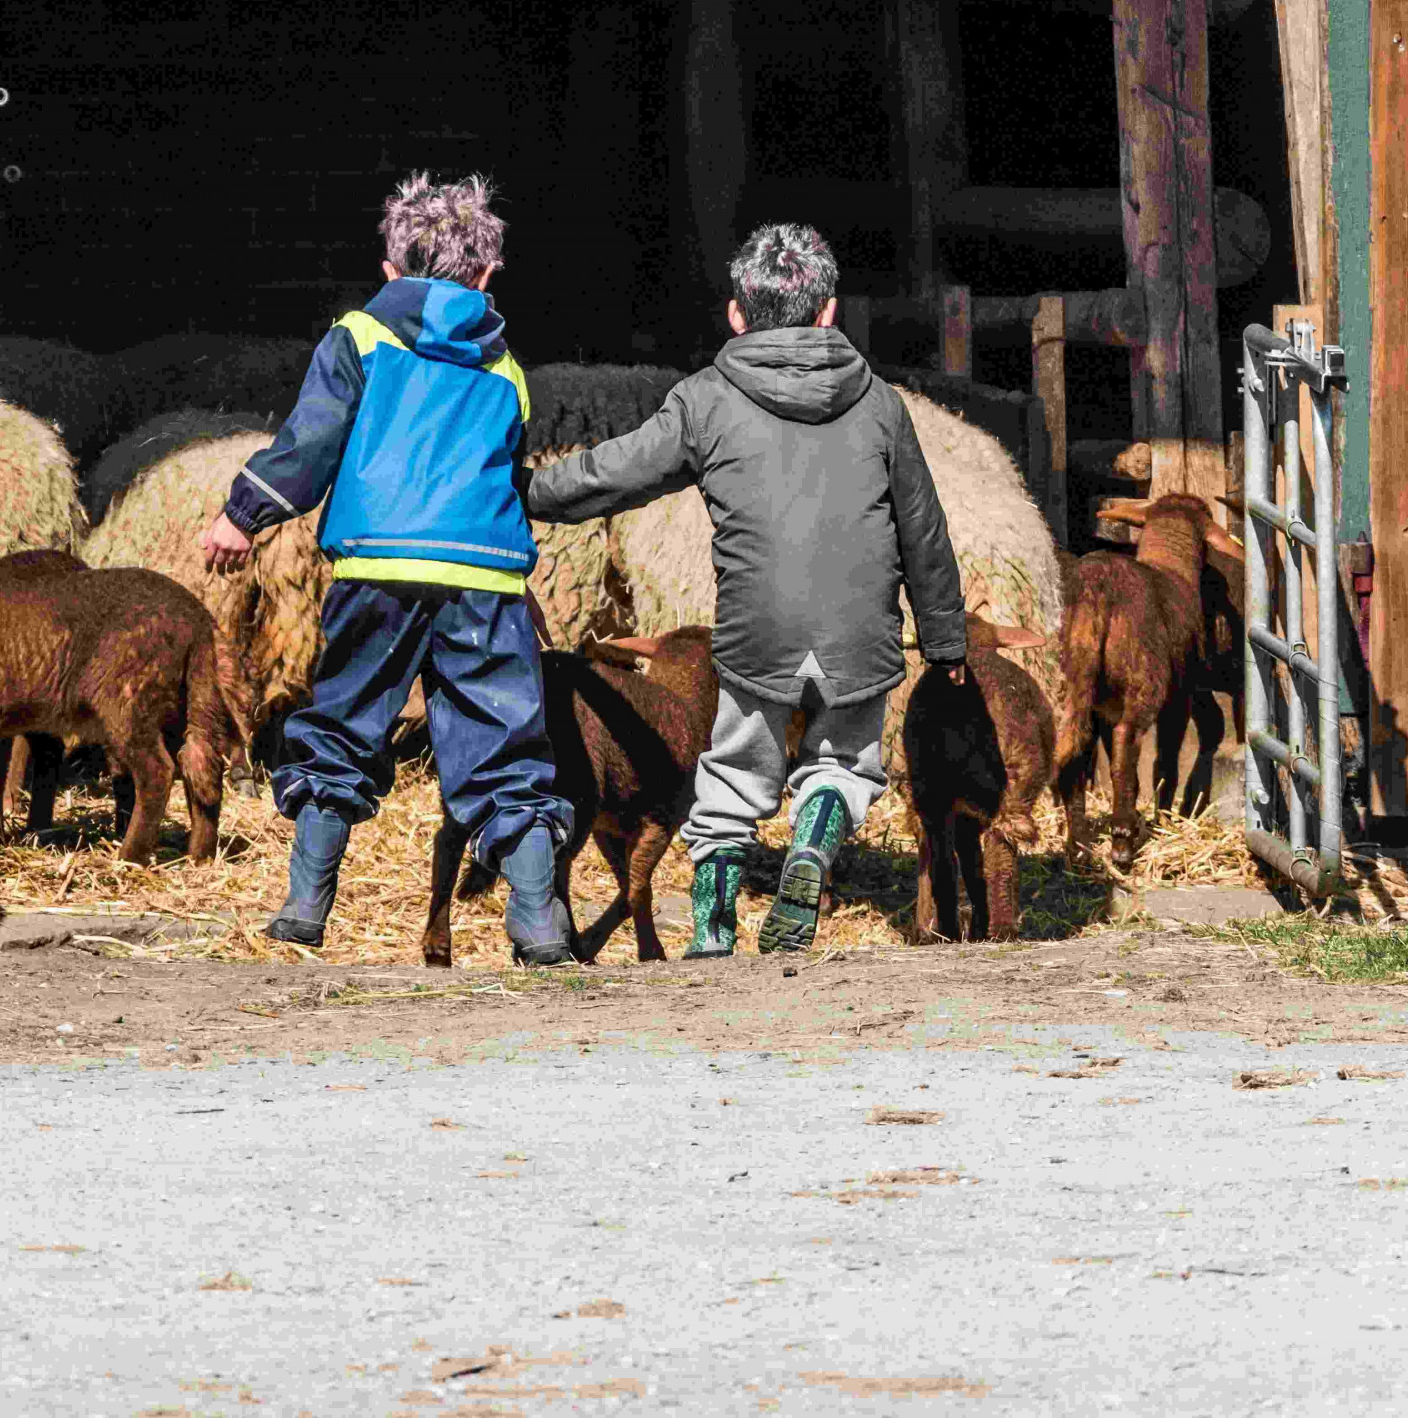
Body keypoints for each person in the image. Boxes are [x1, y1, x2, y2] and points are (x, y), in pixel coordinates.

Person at [524, 223, 969, 957]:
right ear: (830, 311)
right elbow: (923, 528)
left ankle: (712, 930)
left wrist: (525, 491)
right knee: (843, 764)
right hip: (860, 628)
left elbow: (615, 472)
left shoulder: (706, 399)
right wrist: (947, 640)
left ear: (736, 314)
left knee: (732, 773)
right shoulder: (880, 403)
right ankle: (810, 852)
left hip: (757, 629)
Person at [200, 173, 576, 964]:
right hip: (483, 575)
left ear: (390, 268)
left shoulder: (361, 337)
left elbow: (310, 442)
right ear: (485, 274)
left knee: (343, 723)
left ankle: (304, 909)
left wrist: (244, 512)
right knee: (505, 744)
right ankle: (539, 924)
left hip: (379, 563)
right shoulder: (506, 369)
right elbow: (504, 479)